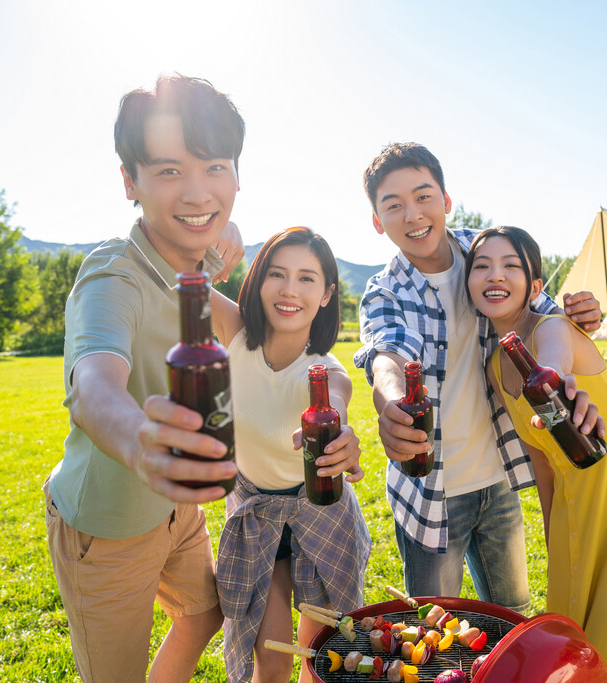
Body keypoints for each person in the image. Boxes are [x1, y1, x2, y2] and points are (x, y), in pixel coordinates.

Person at [43, 74, 247, 682]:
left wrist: (218, 259)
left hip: (176, 510)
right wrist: (141, 442)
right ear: (129, 183)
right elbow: (93, 386)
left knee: (206, 612)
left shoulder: (186, 270)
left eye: (214, 167)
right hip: (104, 526)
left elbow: (253, 339)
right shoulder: (113, 274)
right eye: (167, 172)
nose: (196, 190)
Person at [353, 142, 602, 613]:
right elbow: (387, 351)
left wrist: (580, 315)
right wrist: (389, 402)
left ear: (446, 202)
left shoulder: (486, 253)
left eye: (424, 196)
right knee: (434, 625)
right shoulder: (385, 291)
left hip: (499, 477)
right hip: (430, 493)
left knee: (511, 616)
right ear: (376, 220)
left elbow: (540, 312)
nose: (413, 215)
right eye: (393, 205)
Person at [465, 225, 607, 683]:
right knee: (576, 642)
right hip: (575, 508)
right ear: (468, 283)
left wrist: (558, 381)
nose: (496, 276)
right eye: (482, 266)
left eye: (511, 266)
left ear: (534, 287)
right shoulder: (495, 368)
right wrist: (555, 535)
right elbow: (542, 463)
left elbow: (554, 364)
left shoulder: (555, 329)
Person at [209, 227, 371, 683]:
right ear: (257, 280)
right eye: (276, 274)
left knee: (317, 655)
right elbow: (174, 277)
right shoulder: (235, 333)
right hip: (257, 513)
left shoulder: (327, 372)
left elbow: (334, 404)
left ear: (326, 294)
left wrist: (340, 436)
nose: (289, 290)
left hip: (318, 514)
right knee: (273, 658)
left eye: (306, 278)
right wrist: (218, 230)